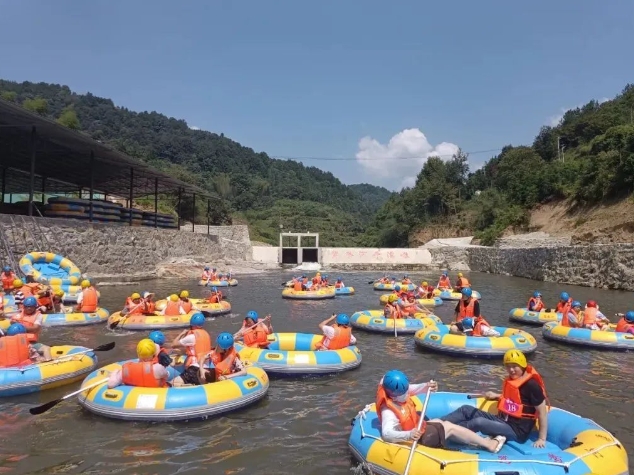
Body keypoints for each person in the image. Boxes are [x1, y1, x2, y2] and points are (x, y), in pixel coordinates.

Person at [377, 370, 506, 452]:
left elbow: (412, 389)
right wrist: (409, 434)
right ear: (393, 395)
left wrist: (426, 386)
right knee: (449, 427)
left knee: (442, 421)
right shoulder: (388, 411)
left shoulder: (394, 387)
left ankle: (474, 440)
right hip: (415, 439)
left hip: (419, 427)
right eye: (403, 393)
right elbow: (387, 434)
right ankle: (489, 444)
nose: (407, 393)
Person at [441, 350, 548, 447]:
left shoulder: (532, 385)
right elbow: (514, 402)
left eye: (515, 366)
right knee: (466, 409)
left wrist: (541, 438)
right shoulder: (512, 380)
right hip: (502, 420)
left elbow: (542, 412)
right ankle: (437, 424)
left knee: (479, 422)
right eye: (508, 366)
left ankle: (444, 431)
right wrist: (496, 396)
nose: (511, 370)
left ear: (523, 366)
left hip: (517, 431)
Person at [170, 313, 212, 386]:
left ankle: (188, 386)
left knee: (172, 383)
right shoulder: (206, 334)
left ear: (191, 324)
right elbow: (193, 351)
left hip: (195, 368)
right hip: (208, 368)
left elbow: (173, 344)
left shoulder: (191, 337)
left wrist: (182, 333)